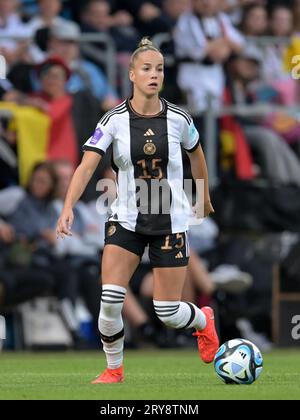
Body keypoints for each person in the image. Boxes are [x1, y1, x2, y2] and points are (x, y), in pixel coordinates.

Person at [56, 37, 219, 384]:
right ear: (131, 74)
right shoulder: (113, 120)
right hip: (126, 217)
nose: (154, 75)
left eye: (159, 69)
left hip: (170, 219)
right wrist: (67, 206)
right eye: (146, 68)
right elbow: (87, 166)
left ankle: (204, 320)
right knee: (110, 298)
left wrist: (201, 197)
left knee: (168, 311)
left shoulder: (179, 118)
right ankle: (114, 369)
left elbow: (197, 155)